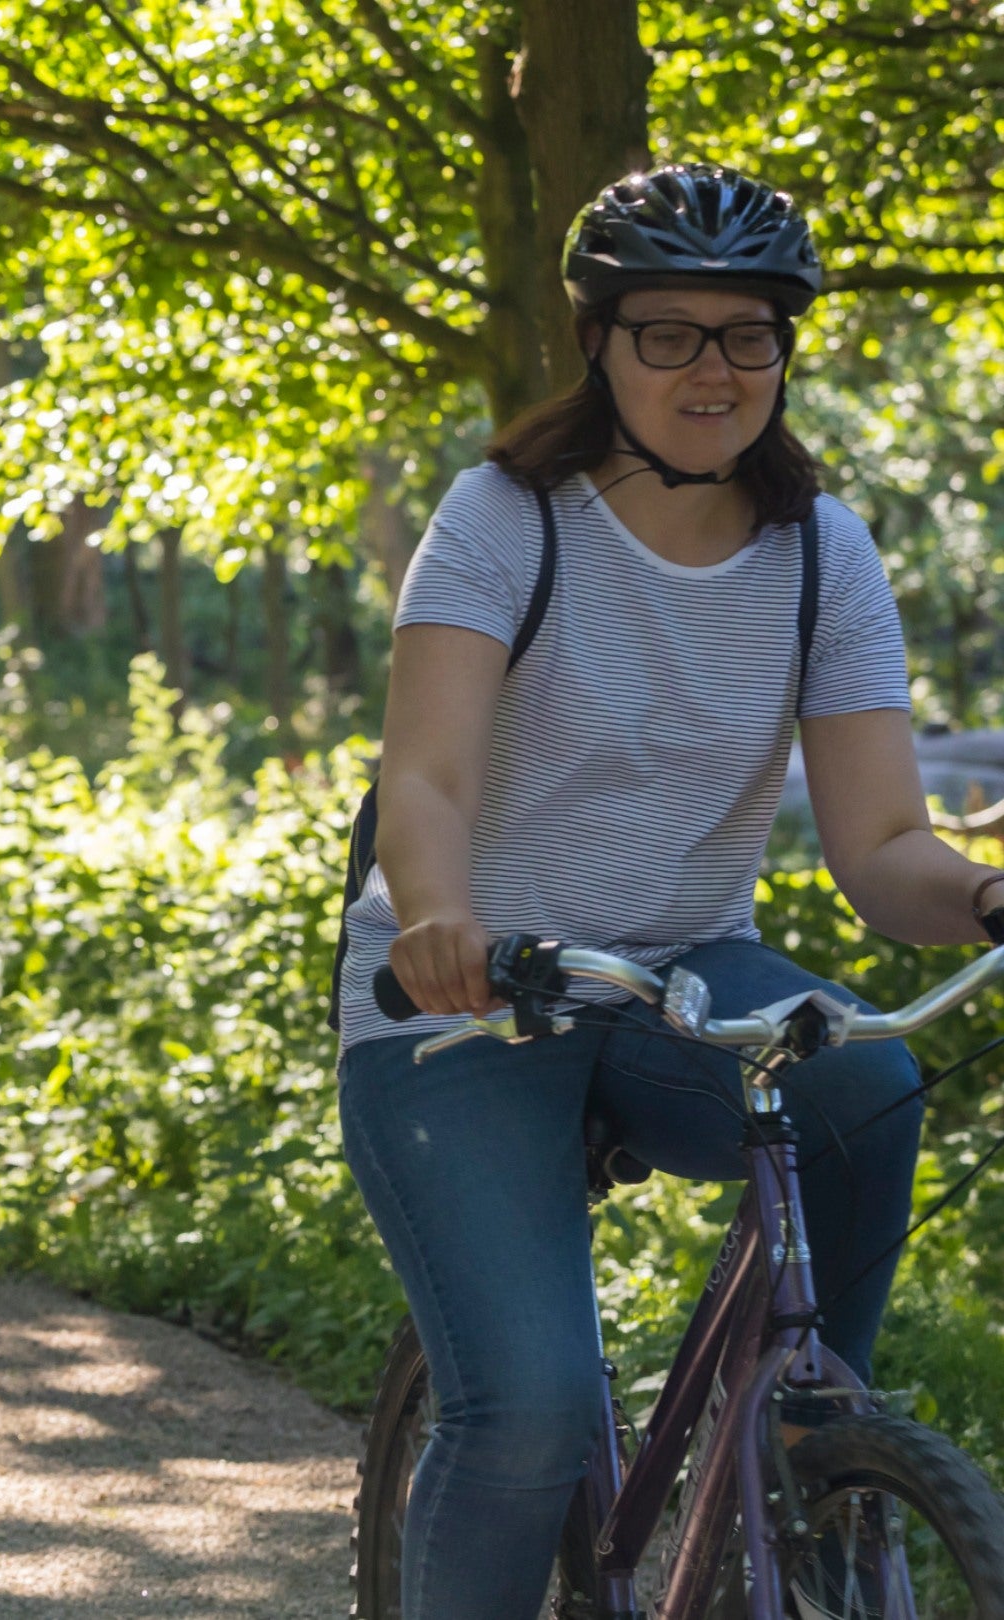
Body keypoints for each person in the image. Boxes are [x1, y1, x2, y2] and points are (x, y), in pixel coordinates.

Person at [337, 162, 1004, 1620]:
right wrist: (442, 919)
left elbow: (884, 847)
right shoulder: (512, 517)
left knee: (867, 1084)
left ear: (783, 346)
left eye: (746, 333)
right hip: (468, 999)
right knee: (524, 1415)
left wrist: (988, 898)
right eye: (669, 332)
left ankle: (811, 1443)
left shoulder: (821, 552)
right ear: (600, 343)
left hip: (683, 970)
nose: (713, 367)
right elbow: (427, 780)